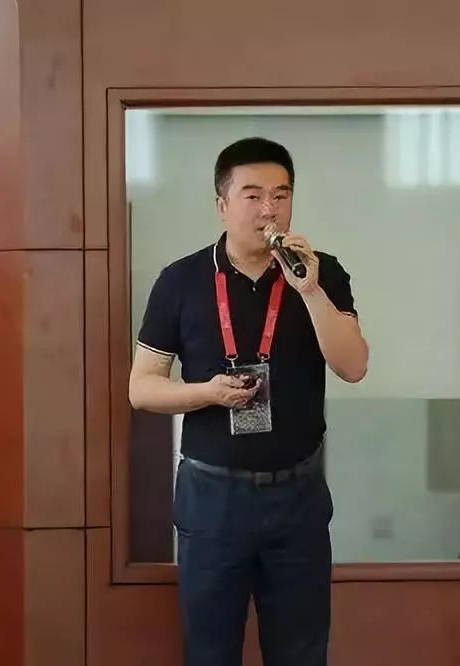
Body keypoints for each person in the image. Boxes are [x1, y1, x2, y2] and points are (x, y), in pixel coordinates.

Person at [128, 136, 369, 666]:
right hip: (212, 495)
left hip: (298, 493)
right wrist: (207, 392)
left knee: (301, 651)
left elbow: (353, 366)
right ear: (222, 204)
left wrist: (309, 290)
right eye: (253, 195)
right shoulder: (181, 280)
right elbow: (141, 388)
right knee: (210, 651)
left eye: (281, 196)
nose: (269, 210)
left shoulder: (323, 272)